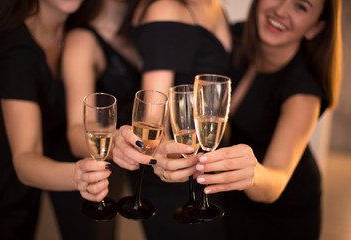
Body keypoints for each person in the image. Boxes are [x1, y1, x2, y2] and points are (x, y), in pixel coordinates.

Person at [143, 0, 342, 239]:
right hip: (229, 200)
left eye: (300, 7)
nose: (280, 10)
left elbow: (276, 180)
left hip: (280, 213)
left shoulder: (304, 91)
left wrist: (254, 173)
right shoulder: (233, 37)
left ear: (315, 28)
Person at [0, 0, 113, 239]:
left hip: (31, 189)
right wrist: (79, 176)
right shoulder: (13, 50)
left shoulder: (76, 31)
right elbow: (24, 160)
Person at [112, 0, 232, 239]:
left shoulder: (214, 7)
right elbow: (152, 118)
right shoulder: (166, 9)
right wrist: (171, 160)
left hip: (206, 170)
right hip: (177, 179)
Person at [59, 0, 142, 238]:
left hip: (133, 169)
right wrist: (117, 143)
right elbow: (76, 133)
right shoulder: (82, 40)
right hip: (91, 170)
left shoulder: (145, 31)